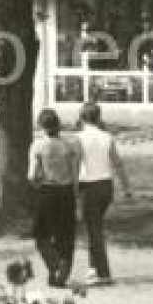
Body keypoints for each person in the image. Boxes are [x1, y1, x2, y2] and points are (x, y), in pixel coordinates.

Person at [74, 102, 132, 289]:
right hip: (105, 186)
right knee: (95, 227)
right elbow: (118, 163)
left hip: (88, 186)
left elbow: (76, 166)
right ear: (99, 118)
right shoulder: (107, 137)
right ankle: (98, 270)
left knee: (93, 230)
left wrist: (72, 189)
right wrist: (126, 187)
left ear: (82, 118)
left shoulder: (78, 138)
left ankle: (98, 271)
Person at [27, 108, 79, 287]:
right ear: (58, 124)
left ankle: (53, 262)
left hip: (47, 191)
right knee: (65, 234)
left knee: (41, 235)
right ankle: (59, 274)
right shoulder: (69, 145)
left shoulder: (38, 145)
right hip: (66, 192)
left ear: (41, 126)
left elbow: (32, 175)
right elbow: (75, 172)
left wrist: (37, 182)